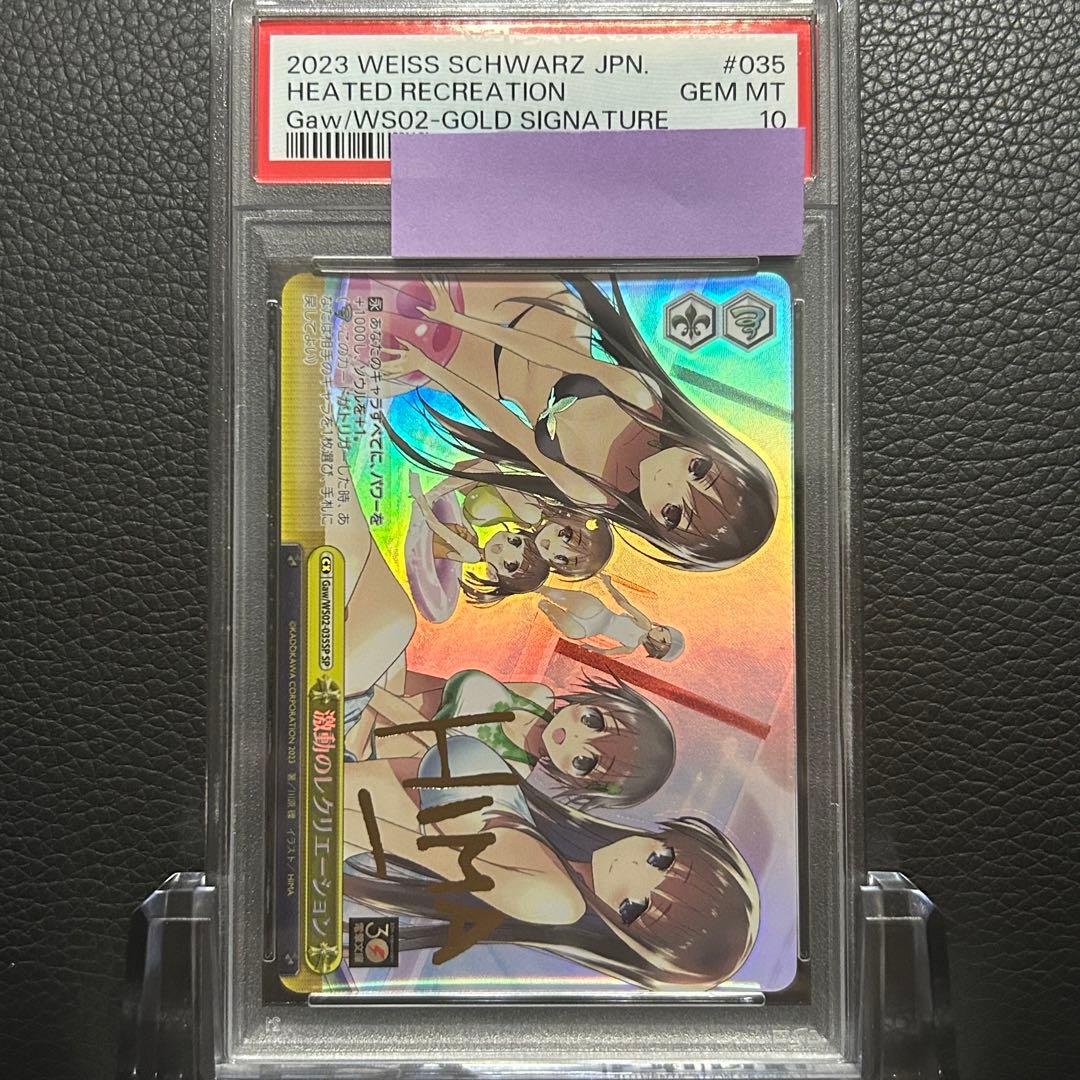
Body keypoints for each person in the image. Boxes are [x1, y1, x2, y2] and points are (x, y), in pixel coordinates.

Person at [373, 274, 777, 572]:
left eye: (673, 513)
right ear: (710, 448)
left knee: (380, 356)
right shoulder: (641, 398)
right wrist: (459, 321)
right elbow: (547, 353)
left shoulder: (592, 491)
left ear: (658, 528)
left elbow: (509, 429)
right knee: (414, 292)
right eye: (698, 470)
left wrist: (430, 368)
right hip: (531, 312)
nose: (669, 482)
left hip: (495, 379)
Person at [537, 573, 685, 661]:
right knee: (576, 626)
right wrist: (608, 584)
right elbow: (622, 603)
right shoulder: (641, 631)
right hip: (593, 619)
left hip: (592, 622)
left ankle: (545, 601)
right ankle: (546, 602)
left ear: (659, 648)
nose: (658, 630)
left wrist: (591, 648)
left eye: (662, 637)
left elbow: (607, 652)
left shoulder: (635, 640)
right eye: (662, 629)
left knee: (574, 630)